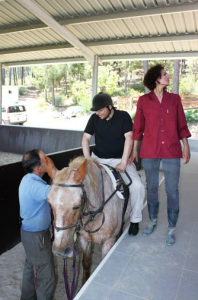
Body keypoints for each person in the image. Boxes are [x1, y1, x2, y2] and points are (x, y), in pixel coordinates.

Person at [130, 64, 191, 246]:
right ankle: (153, 221)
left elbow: (181, 124)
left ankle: (171, 228)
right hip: (149, 149)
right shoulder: (143, 101)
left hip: (172, 149)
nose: (168, 76)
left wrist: (185, 147)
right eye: (164, 74)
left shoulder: (174, 99)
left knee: (172, 190)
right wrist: (134, 149)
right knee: (152, 188)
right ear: (157, 78)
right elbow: (138, 127)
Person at [82, 92, 145, 236]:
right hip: (98, 159)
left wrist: (123, 162)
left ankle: (135, 220)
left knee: (137, 186)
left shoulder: (123, 116)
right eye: (96, 110)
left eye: (100, 110)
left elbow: (129, 138)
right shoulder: (94, 119)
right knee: (81, 184)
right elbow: (85, 139)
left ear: (109, 107)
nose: (97, 113)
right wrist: (88, 160)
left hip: (119, 159)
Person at [19, 149, 56, 300]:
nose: (47, 160)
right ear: (38, 168)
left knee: (31, 267)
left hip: (29, 234)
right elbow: (60, 194)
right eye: (45, 159)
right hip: (37, 237)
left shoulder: (27, 179)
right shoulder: (37, 187)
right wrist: (53, 170)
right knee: (46, 275)